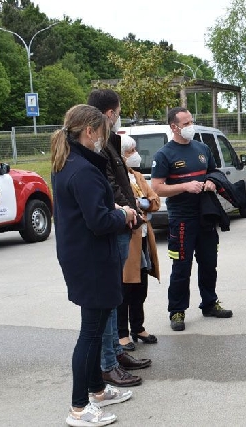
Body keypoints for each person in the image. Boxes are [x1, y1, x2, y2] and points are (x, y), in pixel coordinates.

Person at [51, 104, 136, 426]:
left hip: (84, 256)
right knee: (90, 333)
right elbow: (100, 222)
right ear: (89, 131)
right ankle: (78, 407)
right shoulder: (82, 169)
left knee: (96, 328)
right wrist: (124, 214)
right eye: (102, 133)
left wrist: (108, 206)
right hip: (90, 259)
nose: (104, 139)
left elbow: (90, 208)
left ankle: (98, 390)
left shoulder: (70, 162)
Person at [87, 89, 150, 387]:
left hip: (124, 221)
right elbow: (108, 185)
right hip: (115, 225)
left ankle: (115, 354)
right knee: (110, 298)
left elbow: (119, 180)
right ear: (110, 113)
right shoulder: (95, 145)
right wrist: (126, 210)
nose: (119, 115)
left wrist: (134, 207)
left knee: (115, 296)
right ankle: (108, 363)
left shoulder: (109, 143)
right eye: (119, 110)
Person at [151, 107, 233, 331]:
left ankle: (209, 303)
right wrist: (185, 186)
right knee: (181, 266)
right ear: (173, 127)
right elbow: (157, 188)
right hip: (182, 220)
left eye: (191, 122)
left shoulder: (202, 148)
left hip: (206, 215)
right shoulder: (164, 154)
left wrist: (211, 183)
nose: (190, 127)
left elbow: (213, 173)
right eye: (185, 124)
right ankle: (177, 310)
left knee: (209, 263)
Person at [118, 134, 161, 350]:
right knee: (126, 287)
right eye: (130, 151)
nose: (135, 155)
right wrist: (138, 204)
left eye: (135, 150)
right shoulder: (118, 178)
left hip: (143, 237)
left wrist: (142, 203)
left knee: (141, 286)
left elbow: (154, 200)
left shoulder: (137, 176)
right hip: (128, 240)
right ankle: (122, 334)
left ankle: (138, 326)